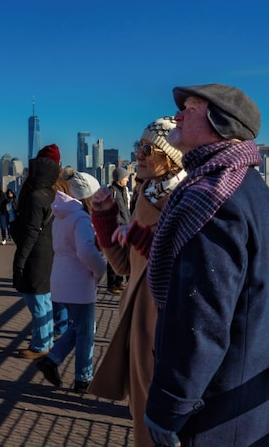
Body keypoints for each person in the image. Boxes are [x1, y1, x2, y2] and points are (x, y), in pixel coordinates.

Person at [141, 84, 269, 446]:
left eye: (189, 107)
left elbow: (201, 317)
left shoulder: (214, 197)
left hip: (213, 413)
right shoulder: (254, 191)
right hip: (246, 398)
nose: (177, 115)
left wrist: (169, 407)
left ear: (220, 121)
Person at [87, 117, 186, 447]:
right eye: (137, 147)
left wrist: (140, 236)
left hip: (164, 330)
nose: (138, 156)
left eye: (147, 149)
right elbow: (124, 266)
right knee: (142, 420)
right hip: (136, 324)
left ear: (170, 158)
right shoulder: (146, 193)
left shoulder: (185, 201)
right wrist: (104, 217)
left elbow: (184, 267)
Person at [34, 171, 107, 394]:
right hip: (79, 281)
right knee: (86, 332)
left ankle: (53, 360)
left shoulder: (62, 215)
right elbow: (86, 251)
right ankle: (83, 377)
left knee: (80, 326)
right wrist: (100, 269)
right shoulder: (82, 218)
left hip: (61, 278)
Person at [11, 143, 64, 359]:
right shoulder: (52, 194)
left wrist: (20, 260)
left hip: (36, 255)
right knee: (44, 299)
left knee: (37, 300)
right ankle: (46, 340)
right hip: (48, 252)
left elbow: (30, 232)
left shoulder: (35, 196)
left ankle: (41, 346)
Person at [105, 167, 131, 294]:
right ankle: (112, 284)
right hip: (115, 228)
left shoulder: (123, 191)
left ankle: (119, 282)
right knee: (114, 257)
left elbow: (126, 209)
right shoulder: (112, 191)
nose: (127, 179)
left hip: (124, 227)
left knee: (121, 256)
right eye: (125, 177)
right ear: (119, 179)